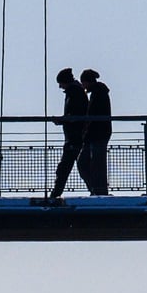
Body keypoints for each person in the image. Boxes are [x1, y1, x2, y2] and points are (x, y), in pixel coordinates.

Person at [50, 67, 89, 199]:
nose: (60, 87)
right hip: (76, 136)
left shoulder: (74, 93)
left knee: (66, 167)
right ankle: (96, 190)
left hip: (74, 137)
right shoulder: (76, 92)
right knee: (81, 166)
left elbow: (75, 115)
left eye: (60, 83)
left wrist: (62, 120)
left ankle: (55, 193)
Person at [78, 68, 111, 195]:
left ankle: (98, 190)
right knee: (95, 164)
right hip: (97, 134)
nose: (83, 85)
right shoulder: (99, 92)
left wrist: (86, 131)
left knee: (93, 164)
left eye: (83, 82)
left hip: (97, 134)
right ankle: (97, 189)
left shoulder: (98, 94)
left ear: (88, 81)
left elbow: (92, 115)